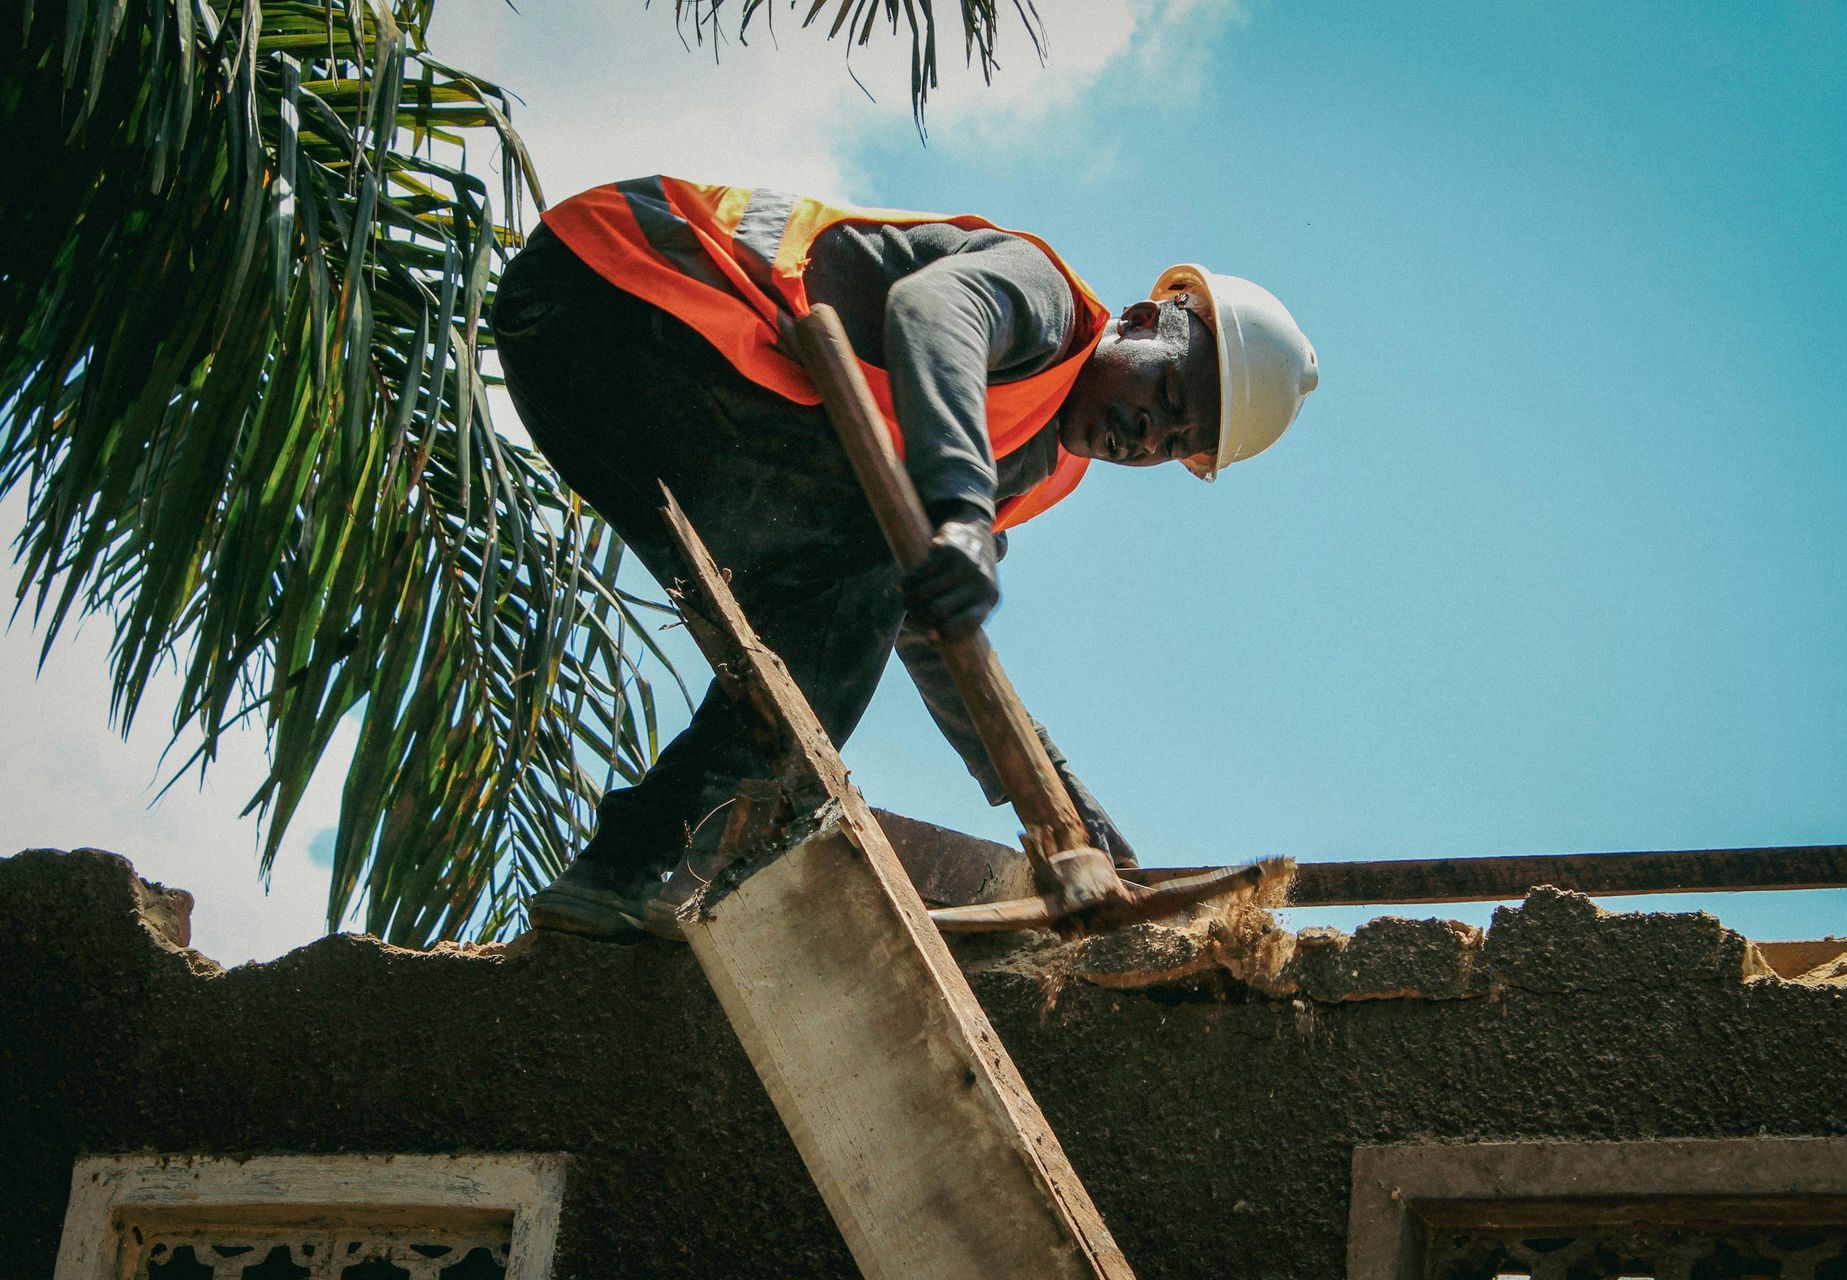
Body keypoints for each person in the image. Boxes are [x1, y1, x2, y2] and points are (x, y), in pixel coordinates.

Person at [491, 176, 1318, 941]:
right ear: (1140, 322)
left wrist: (1061, 803)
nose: (1148, 438)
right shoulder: (1048, 303)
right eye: (1165, 397)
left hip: (620, 389)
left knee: (807, 652)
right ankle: (671, 864)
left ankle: (619, 871)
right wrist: (958, 512)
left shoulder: (1034, 462)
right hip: (618, 288)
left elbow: (922, 622)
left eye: (1177, 446)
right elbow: (933, 308)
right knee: (849, 592)